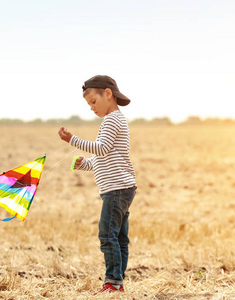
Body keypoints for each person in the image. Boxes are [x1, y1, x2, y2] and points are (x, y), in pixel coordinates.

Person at [58, 75, 137, 295]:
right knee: (118, 236)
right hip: (121, 187)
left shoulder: (113, 120)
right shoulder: (113, 120)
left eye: (93, 101)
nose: (92, 108)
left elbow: (101, 148)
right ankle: (117, 283)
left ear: (108, 94)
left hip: (116, 189)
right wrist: (85, 164)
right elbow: (104, 157)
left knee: (107, 235)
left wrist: (72, 140)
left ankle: (112, 282)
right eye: (88, 105)